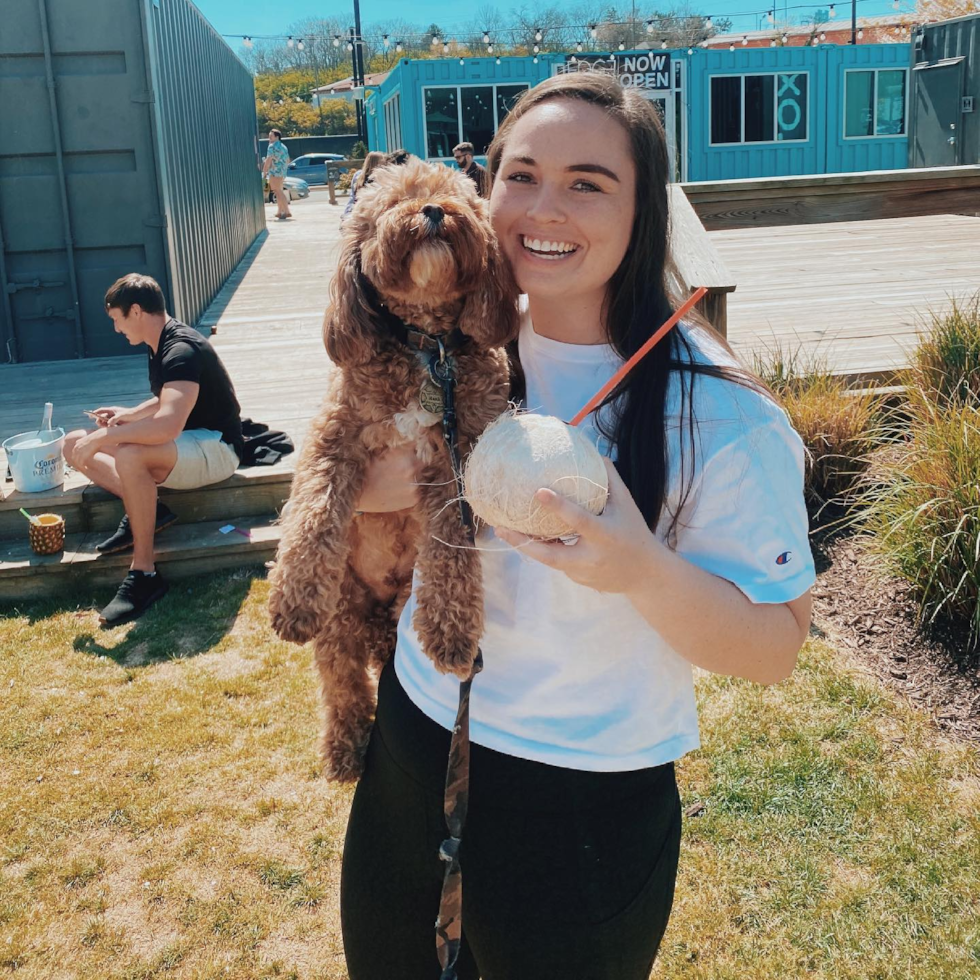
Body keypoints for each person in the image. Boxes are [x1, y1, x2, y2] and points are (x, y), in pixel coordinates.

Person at [339, 73, 815, 979]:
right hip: (416, 729)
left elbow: (777, 648)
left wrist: (639, 568)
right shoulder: (444, 339)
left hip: (581, 800)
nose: (542, 209)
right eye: (520, 174)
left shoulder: (718, 414)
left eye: (588, 183)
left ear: (646, 211)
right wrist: (367, 493)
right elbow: (344, 455)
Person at [64, 274, 244, 627]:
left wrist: (102, 440)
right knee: (72, 442)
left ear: (135, 311)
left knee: (129, 452)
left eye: (117, 318)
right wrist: (126, 415)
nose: (116, 328)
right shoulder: (159, 342)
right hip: (187, 445)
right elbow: (170, 397)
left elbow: (168, 426)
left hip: (217, 448)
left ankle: (144, 573)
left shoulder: (180, 349)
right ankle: (150, 508)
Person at [342, 150, 386, 224]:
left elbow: (352, 198)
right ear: (377, 163)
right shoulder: (379, 177)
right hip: (372, 215)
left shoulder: (358, 175)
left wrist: (346, 215)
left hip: (357, 212)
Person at [262, 129, 292, 220]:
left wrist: (265, 170)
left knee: (277, 191)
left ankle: (286, 211)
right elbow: (288, 160)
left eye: (271, 136)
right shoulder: (283, 146)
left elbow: (268, 159)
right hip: (282, 172)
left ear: (276, 137)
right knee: (278, 191)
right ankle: (279, 211)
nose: (269, 138)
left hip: (275, 172)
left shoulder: (271, 147)